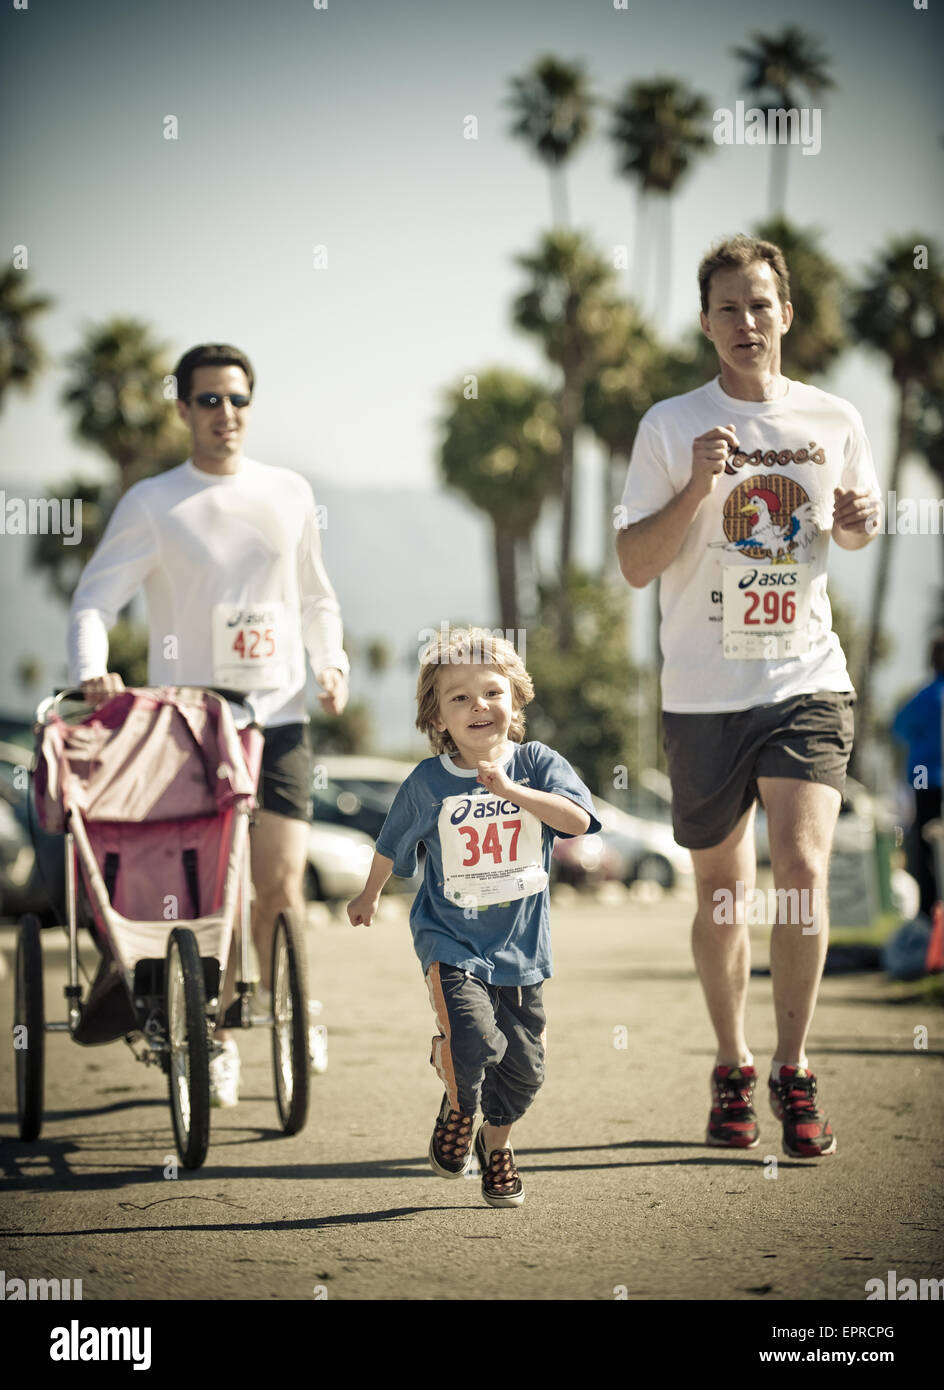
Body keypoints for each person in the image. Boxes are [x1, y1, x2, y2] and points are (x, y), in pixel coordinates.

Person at [616, 235, 881, 1159]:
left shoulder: (835, 417)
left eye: (760, 304)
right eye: (727, 307)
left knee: (801, 874)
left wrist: (858, 522)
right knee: (725, 891)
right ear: (705, 323)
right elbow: (634, 564)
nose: (745, 322)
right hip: (703, 691)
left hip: (806, 678)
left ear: (787, 313)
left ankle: (794, 1067)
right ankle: (732, 1064)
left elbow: (853, 529)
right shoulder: (668, 426)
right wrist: (696, 485)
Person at [68, 343, 349, 1105]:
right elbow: (95, 598)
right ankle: (213, 1033)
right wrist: (92, 668)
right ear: (184, 408)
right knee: (212, 892)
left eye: (237, 399)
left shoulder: (288, 491)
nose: (225, 414)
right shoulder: (155, 502)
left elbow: (316, 596)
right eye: (209, 401)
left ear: (251, 406)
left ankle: (293, 1010)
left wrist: (333, 662)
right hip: (189, 725)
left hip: (279, 714)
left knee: (280, 882)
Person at [346, 627, 600, 1206]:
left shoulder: (538, 764)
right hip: (451, 939)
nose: (477, 705)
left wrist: (514, 792)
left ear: (515, 701)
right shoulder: (428, 782)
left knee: (526, 1070)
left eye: (491, 692)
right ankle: (459, 1105)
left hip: (522, 950)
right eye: (458, 697)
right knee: (474, 1041)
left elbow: (578, 821)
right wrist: (370, 895)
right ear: (436, 716)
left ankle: (496, 1142)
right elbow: (390, 843)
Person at [892, 631, 944, 918]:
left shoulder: (925, 697)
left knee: (924, 847)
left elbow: (899, 728)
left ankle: (929, 912)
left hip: (926, 778)